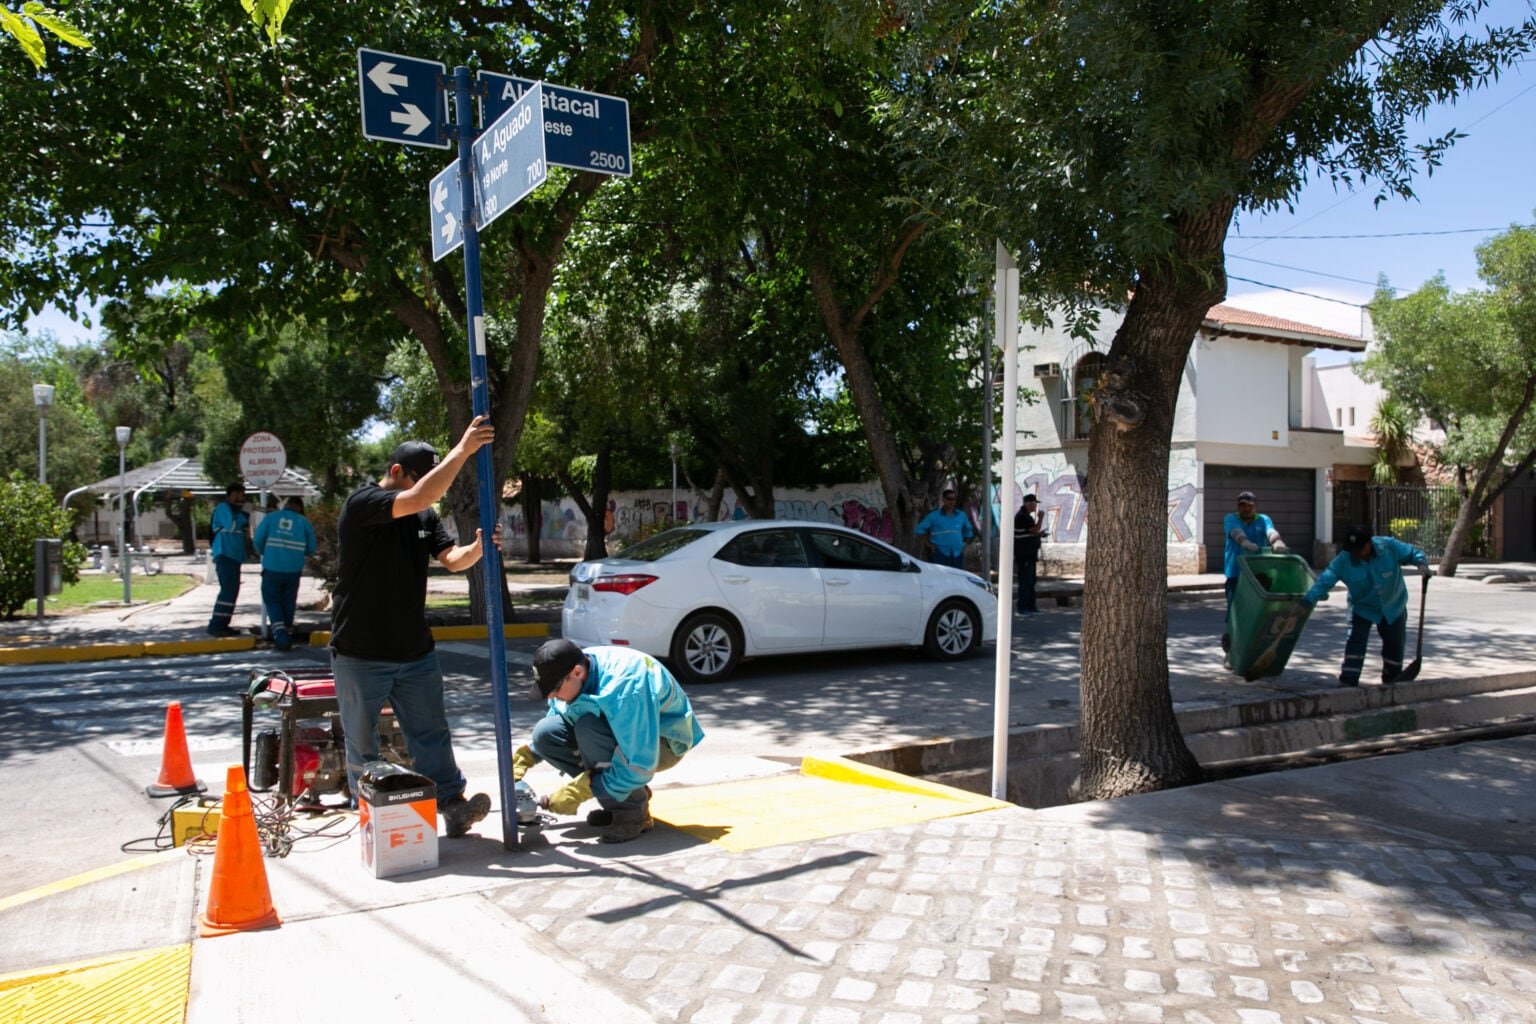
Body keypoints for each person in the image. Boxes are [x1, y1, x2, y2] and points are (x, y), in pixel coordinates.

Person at [329, 418, 497, 838]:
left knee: (431, 734)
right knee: (362, 742)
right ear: (397, 472)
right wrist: (463, 450)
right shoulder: (363, 504)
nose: (425, 492)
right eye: (419, 481)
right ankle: (369, 815)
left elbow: (452, 559)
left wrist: (476, 549)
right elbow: (427, 493)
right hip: (360, 649)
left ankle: (451, 805)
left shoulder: (422, 515)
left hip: (414, 649)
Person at [513, 639, 704, 844]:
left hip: (662, 742)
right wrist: (529, 754)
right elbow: (563, 715)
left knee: (588, 729)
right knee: (545, 734)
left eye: (555, 689)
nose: (551, 695)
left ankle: (633, 814)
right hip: (624, 732)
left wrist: (582, 790)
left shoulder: (626, 688)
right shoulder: (578, 666)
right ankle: (619, 800)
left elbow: (640, 763)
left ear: (578, 672)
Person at [1300, 524, 1429, 688]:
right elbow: (1324, 582)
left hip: (1392, 605)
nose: (1356, 554)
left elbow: (1412, 553)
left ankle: (1392, 680)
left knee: (1394, 644)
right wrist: (1307, 601)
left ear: (1369, 543)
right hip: (1362, 608)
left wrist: (1422, 564)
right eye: (1352, 549)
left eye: (1359, 549)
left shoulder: (1389, 546)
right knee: (1355, 643)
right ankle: (1348, 680)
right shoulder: (1343, 561)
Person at [1221, 490, 1288, 649]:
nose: (1246, 509)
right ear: (1238, 506)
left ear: (1255, 506)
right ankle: (1232, 649)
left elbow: (1271, 532)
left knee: (1261, 612)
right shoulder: (1231, 518)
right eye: (1243, 505)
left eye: (1250, 506)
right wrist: (1245, 543)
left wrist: (1277, 542)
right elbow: (1236, 532)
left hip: (1260, 573)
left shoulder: (1263, 520)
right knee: (1235, 612)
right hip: (1236, 573)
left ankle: (1255, 647)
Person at [253, 495, 317, 651]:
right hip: (293, 570)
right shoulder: (304, 522)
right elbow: (312, 547)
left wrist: (265, 553)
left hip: (272, 567)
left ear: (286, 504)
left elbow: (258, 540)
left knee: (273, 601)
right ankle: (287, 633)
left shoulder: (271, 518)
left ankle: (281, 635)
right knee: (289, 602)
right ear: (300, 508)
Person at [206, 483, 249, 637]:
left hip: (234, 555)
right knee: (228, 590)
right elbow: (231, 526)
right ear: (230, 495)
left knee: (232, 590)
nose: (241, 498)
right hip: (225, 553)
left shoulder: (234, 510)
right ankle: (217, 624)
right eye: (238, 495)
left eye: (243, 495)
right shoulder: (223, 507)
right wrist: (244, 515)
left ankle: (223, 623)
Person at [915, 489, 974, 569]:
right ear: (943, 499)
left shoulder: (961, 515)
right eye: (949, 499)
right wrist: (928, 544)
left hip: (957, 553)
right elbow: (919, 530)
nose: (951, 501)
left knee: (958, 578)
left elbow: (969, 531)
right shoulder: (934, 516)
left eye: (954, 499)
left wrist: (963, 544)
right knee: (941, 578)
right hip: (940, 553)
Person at [1013, 493, 1044, 614]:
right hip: (1024, 555)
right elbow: (1034, 529)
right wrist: (1040, 518)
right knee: (1025, 581)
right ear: (1030, 503)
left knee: (1031, 582)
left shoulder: (1027, 516)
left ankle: (1031, 606)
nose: (1036, 506)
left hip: (1030, 555)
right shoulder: (1022, 516)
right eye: (1035, 503)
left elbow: (1030, 532)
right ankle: (1022, 607)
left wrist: (1039, 535)